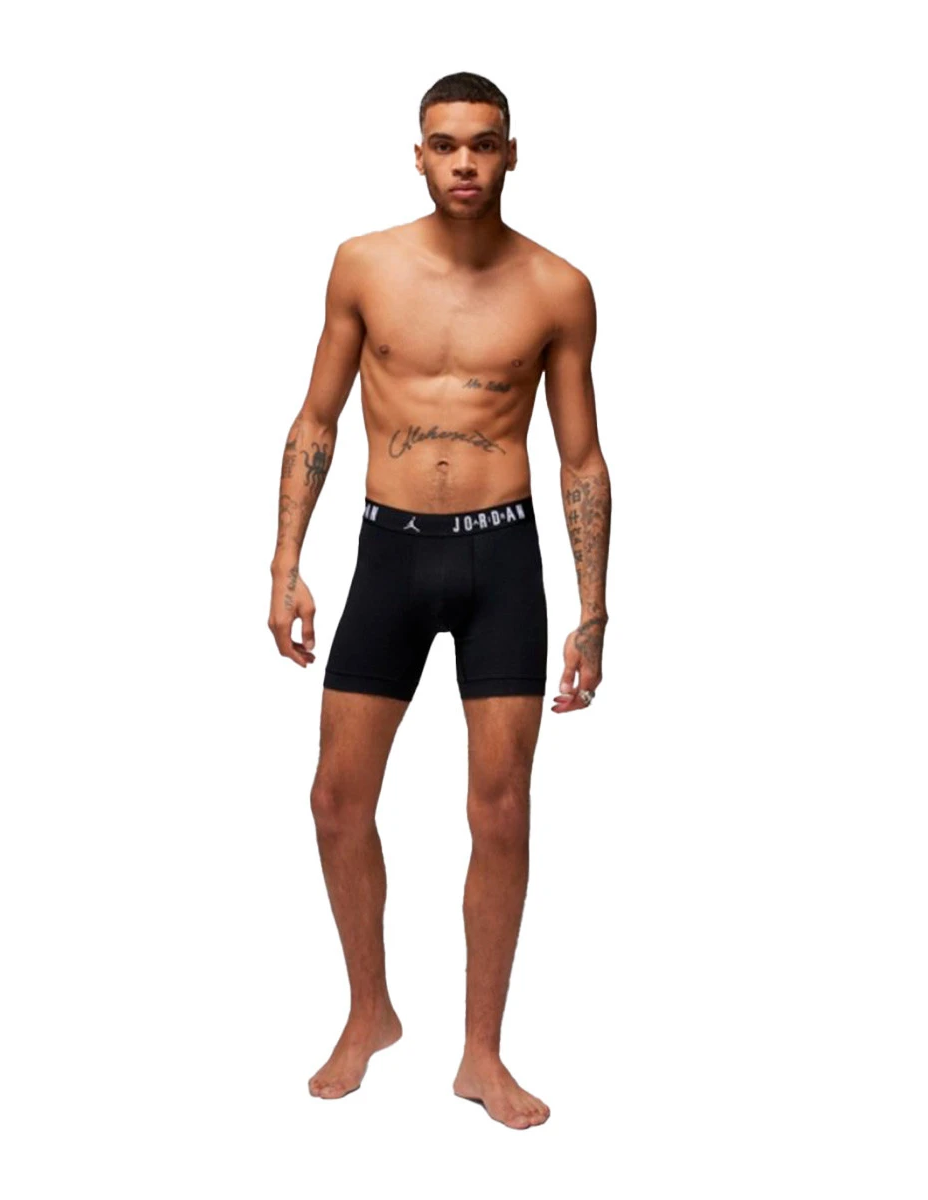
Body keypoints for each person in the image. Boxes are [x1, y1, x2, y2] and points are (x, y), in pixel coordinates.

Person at [267, 71, 611, 1131]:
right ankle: (369, 1012)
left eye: (484, 143)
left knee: (499, 810)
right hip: (390, 553)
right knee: (336, 800)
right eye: (446, 143)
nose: (465, 161)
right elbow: (316, 418)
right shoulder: (364, 265)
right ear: (418, 155)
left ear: (512, 153)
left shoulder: (558, 288)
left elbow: (582, 459)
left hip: (502, 559)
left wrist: (593, 610)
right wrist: (285, 562)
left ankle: (481, 1053)